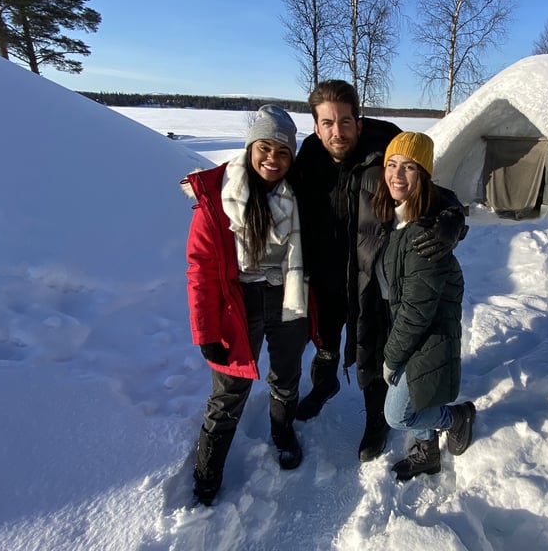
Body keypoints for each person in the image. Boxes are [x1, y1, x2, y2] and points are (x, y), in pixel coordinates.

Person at [289, 80, 468, 463]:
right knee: (324, 344)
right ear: (316, 126)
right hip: (324, 275)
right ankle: (324, 387)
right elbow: (264, 172)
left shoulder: (384, 143)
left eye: (345, 121)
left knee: (370, 353)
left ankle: (376, 421)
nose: (337, 131)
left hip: (369, 279)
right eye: (327, 123)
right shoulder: (309, 155)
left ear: (359, 118)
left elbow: (423, 182)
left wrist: (451, 217)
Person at [183, 105, 309, 506]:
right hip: (242, 303)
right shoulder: (219, 197)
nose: (273, 158)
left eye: (283, 151)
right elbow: (200, 267)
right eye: (265, 148)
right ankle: (208, 472)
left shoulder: (301, 194)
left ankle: (282, 430)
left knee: (287, 374)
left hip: (290, 293)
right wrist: (205, 332)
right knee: (229, 391)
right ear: (251, 147)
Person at [371, 132, 476, 480]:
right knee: (413, 398)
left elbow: (418, 312)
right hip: (415, 329)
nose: (397, 175)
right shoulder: (400, 215)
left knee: (397, 414)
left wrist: (391, 358)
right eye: (392, 164)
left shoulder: (424, 234)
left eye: (410, 168)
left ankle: (455, 418)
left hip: (429, 335)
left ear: (424, 175)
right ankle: (428, 451)